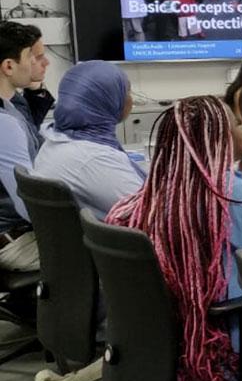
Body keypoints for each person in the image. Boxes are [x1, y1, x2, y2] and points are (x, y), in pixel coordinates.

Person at [104, 97, 242, 381]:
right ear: (220, 137)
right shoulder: (227, 193)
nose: (241, 131)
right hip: (225, 341)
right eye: (235, 124)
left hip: (174, 336)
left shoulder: (162, 186)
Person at [30, 61, 143, 219]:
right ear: (107, 102)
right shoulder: (94, 159)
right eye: (126, 92)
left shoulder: (56, 138)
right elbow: (152, 212)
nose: (131, 100)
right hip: (118, 240)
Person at [0, 22, 46, 270]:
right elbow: (28, 204)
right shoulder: (4, 123)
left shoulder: (11, 108)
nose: (42, 64)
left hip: (15, 230)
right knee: (110, 253)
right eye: (33, 57)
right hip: (13, 241)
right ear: (9, 66)